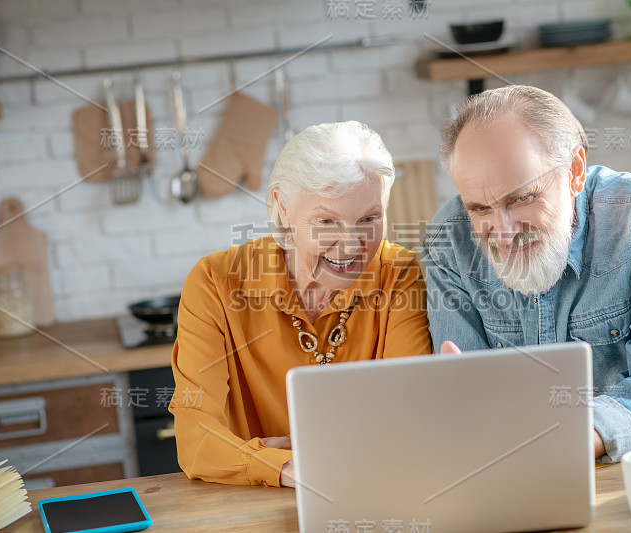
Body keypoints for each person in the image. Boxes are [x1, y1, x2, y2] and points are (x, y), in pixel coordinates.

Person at [421, 85, 631, 462]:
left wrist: (572, 439)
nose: (503, 233)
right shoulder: (448, 241)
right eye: (480, 209)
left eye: (521, 198)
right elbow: (471, 406)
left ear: (574, 171)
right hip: (515, 470)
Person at [170, 121, 433, 488]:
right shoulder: (215, 282)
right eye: (326, 221)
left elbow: (409, 424)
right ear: (282, 209)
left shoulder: (398, 274)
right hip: (249, 508)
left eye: (370, 219)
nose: (351, 247)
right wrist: (281, 467)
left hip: (368, 492)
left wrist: (249, 453)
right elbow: (196, 441)